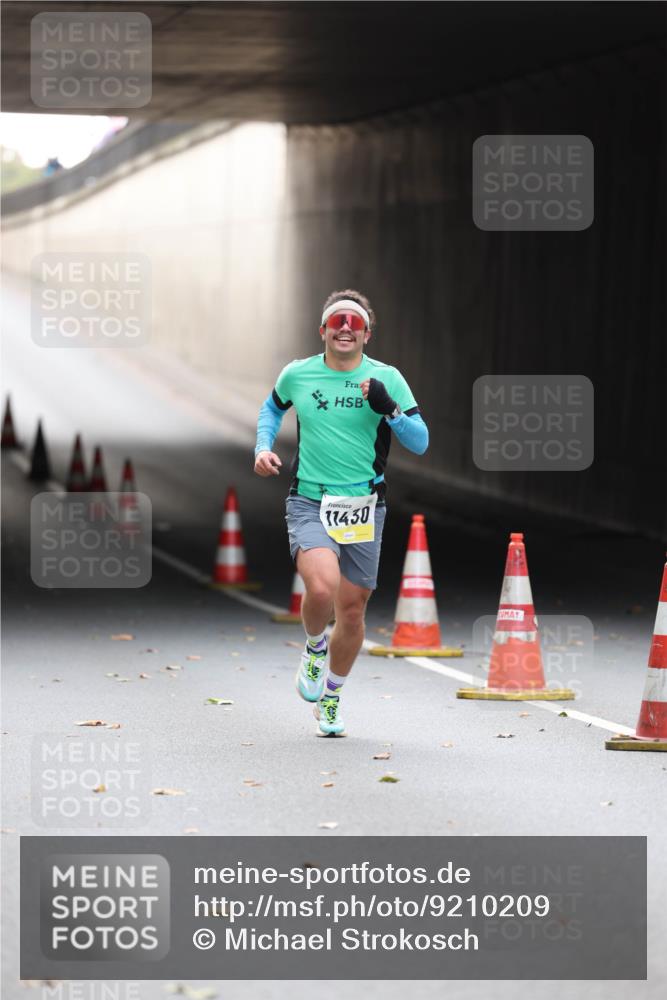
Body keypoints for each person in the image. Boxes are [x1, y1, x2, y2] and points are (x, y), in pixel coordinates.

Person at [254, 289, 428, 736]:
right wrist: (263, 447)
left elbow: (420, 441)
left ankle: (330, 697)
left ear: (367, 334)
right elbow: (271, 409)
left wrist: (388, 408)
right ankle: (315, 648)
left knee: (351, 612)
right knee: (322, 586)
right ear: (323, 331)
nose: (345, 328)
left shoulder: (386, 378)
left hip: (364, 505)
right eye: (337, 322)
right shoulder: (298, 373)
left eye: (354, 322)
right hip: (310, 498)